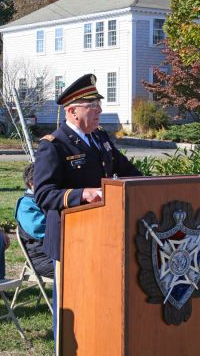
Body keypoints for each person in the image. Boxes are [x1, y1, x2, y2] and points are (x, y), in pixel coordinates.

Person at [33, 73, 141, 348]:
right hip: (71, 241)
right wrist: (84, 194)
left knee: (97, 306)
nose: (99, 111)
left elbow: (127, 171)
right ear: (72, 110)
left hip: (102, 236)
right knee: (72, 306)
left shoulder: (101, 139)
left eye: (98, 105)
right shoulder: (53, 145)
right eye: (92, 106)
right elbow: (44, 194)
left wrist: (152, 185)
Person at [15, 163, 53, 278]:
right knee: (77, 267)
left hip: (56, 251)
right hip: (42, 256)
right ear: (31, 184)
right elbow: (44, 232)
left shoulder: (47, 198)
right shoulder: (26, 206)